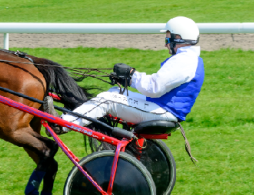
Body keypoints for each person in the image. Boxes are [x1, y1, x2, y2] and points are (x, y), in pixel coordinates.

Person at [60, 16, 204, 130]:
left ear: (178, 38)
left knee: (107, 100)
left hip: (164, 112)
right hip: (163, 107)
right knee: (116, 91)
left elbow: (153, 88)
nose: (165, 44)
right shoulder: (189, 59)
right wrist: (130, 79)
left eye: (167, 39)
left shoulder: (184, 61)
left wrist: (132, 75)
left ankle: (63, 124)